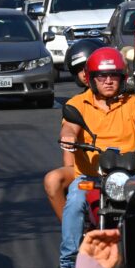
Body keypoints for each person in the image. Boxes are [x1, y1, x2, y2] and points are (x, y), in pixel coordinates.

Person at [56, 47, 135, 268]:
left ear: (122, 78)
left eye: (113, 76)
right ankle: (69, 263)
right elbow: (69, 127)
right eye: (101, 76)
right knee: (74, 202)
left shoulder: (132, 102)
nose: (108, 81)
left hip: (128, 177)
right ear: (91, 78)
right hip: (91, 177)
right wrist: (69, 137)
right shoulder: (78, 104)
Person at [43, 39, 105, 222]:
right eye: (80, 69)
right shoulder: (75, 104)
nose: (85, 74)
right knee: (53, 180)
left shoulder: (129, 99)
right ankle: (73, 232)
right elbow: (68, 144)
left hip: (122, 166)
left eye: (89, 67)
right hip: (87, 170)